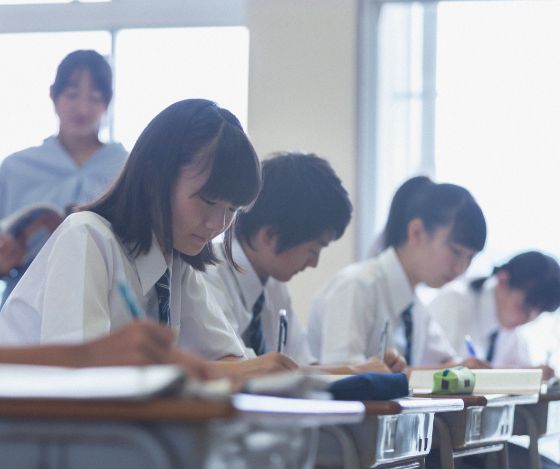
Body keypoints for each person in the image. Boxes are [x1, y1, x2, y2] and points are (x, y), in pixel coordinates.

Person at [0, 98, 298, 378]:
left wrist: (250, 369)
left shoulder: (174, 262)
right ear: (155, 178)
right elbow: (82, 379)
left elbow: (226, 359)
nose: (217, 224)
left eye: (232, 209)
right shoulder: (87, 237)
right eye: (207, 200)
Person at [204, 152, 406, 374]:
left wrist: (367, 369)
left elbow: (302, 366)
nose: (314, 263)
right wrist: (355, 372)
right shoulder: (209, 275)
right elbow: (245, 370)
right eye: (312, 250)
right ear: (270, 235)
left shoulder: (274, 287)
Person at [307, 177, 489, 368]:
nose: (460, 268)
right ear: (416, 232)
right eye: (456, 251)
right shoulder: (357, 285)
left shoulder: (415, 307)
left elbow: (444, 362)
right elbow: (341, 378)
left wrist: (462, 367)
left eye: (470, 258)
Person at [0, 50, 127, 304]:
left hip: (104, 295)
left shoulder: (126, 166)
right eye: (71, 95)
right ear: (53, 95)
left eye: (95, 98)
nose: (82, 108)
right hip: (26, 298)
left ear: (107, 104)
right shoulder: (15, 168)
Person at [429, 250, 560, 378]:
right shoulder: (453, 302)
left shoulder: (511, 330)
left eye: (539, 313)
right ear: (503, 280)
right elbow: (428, 373)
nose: (527, 319)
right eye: (524, 308)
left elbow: (521, 367)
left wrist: (530, 374)